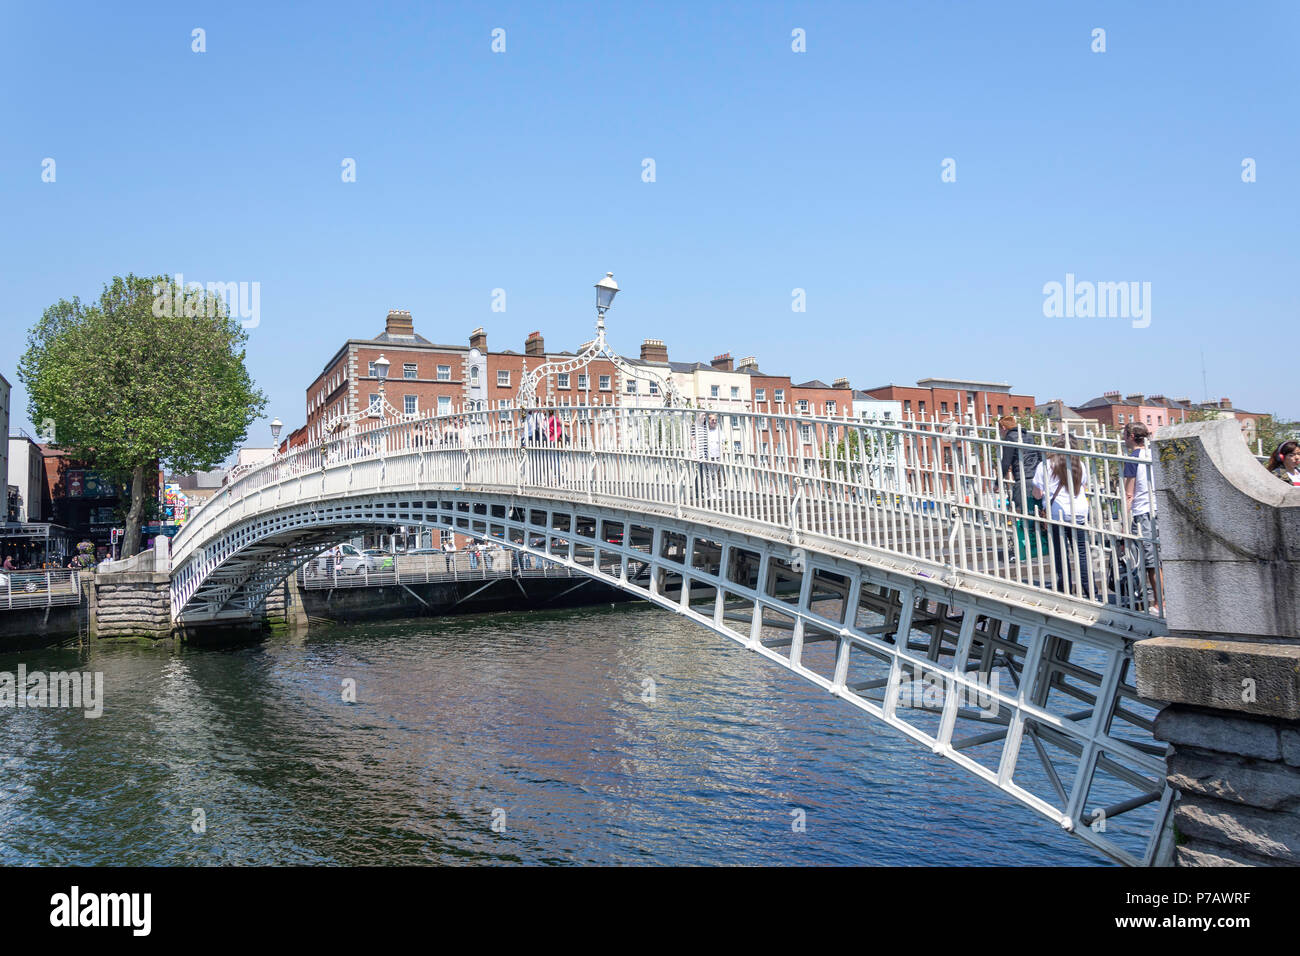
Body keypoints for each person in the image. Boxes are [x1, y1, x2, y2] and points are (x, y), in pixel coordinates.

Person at [1031, 436, 1093, 600]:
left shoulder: (1045, 464)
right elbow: (1083, 486)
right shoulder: (1080, 465)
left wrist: (1039, 495)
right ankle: (1088, 588)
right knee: (1081, 551)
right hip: (1079, 510)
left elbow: (1037, 494)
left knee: (1060, 551)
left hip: (1058, 512)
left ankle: (1064, 586)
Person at [1123, 422, 1163, 612]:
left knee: (1150, 561)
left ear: (1131, 436)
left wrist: (1124, 522)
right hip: (1159, 511)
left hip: (1143, 512)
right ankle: (1161, 600)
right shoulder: (1154, 454)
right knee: (1159, 558)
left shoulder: (1133, 458)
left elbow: (1129, 493)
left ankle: (1159, 602)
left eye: (1124, 435)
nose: (1123, 438)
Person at [999, 415, 1044, 560]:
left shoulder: (1010, 438)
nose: (1000, 433)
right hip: (1036, 480)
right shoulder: (1029, 436)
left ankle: (1024, 552)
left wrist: (997, 482)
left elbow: (1005, 462)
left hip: (1022, 481)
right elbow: (1040, 457)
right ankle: (1039, 546)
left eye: (1000, 430)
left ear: (1004, 428)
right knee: (1035, 514)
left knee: (1020, 516)